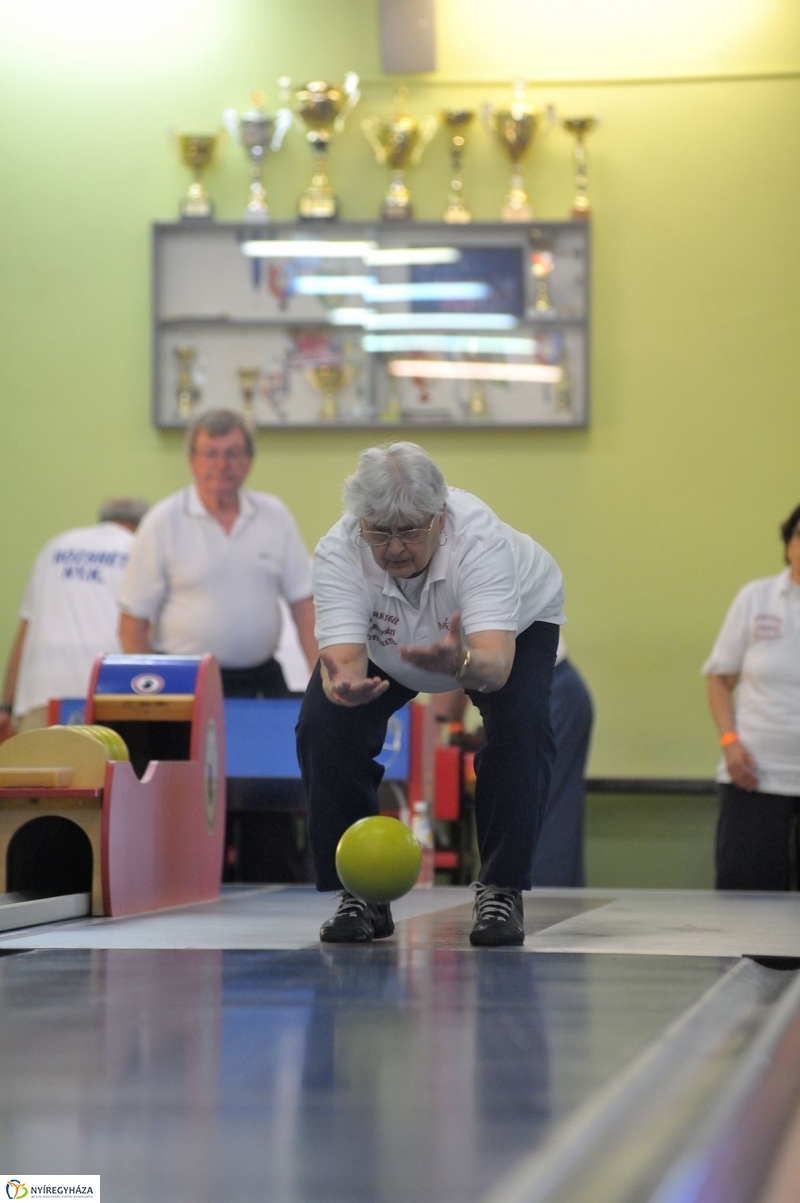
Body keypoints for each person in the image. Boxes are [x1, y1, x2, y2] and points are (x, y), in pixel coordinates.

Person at [296, 441, 565, 947]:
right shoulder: (338, 551)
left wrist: (457, 664)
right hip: (393, 641)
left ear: (439, 517)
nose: (394, 547)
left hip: (505, 634)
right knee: (323, 725)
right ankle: (360, 893)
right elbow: (346, 665)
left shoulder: (479, 541)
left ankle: (501, 889)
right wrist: (344, 690)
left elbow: (497, 666)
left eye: (409, 531)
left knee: (520, 726)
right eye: (378, 531)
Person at [117, 408, 318, 882]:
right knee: (191, 809)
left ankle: (274, 907)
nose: (221, 464)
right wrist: (140, 699)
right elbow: (132, 623)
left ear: (249, 460)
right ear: (192, 459)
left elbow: (303, 607)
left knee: (271, 811)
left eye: (232, 453)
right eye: (210, 453)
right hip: (184, 686)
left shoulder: (274, 517)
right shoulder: (163, 522)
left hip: (261, 683)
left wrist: (320, 679)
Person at [432, 634, 594, 887]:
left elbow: (446, 697)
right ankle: (534, 899)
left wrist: (443, 735)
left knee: (536, 812)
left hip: (550, 689)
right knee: (535, 807)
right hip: (543, 686)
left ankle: (537, 901)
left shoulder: (440, 599)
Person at [703, 503, 800, 891]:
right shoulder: (756, 598)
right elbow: (718, 679)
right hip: (755, 776)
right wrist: (730, 742)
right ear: (788, 543)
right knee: (746, 899)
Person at [0, 498, 149, 740]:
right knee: (103, 776)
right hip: (111, 697)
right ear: (142, 525)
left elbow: (26, 630)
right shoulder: (138, 549)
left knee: (39, 776)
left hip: (42, 695)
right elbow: (143, 630)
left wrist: (6, 706)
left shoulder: (55, 548)